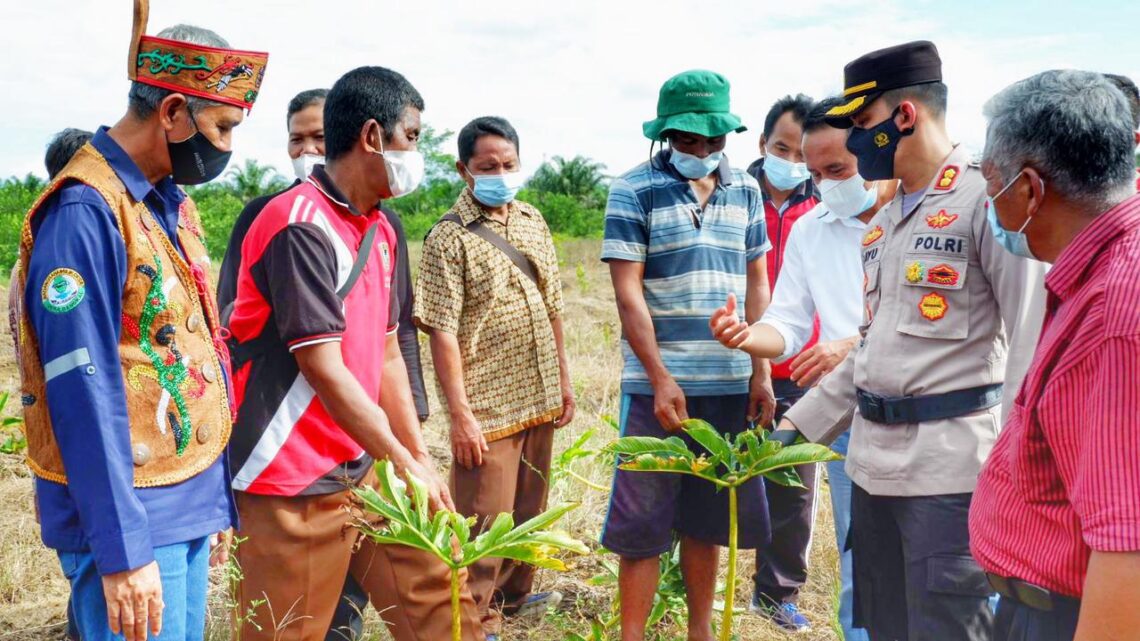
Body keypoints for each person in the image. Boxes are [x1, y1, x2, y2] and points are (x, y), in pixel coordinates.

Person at [749, 41, 1045, 640]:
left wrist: (1019, 472)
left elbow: (1030, 339)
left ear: (902, 117)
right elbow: (872, 349)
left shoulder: (985, 201)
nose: (854, 143)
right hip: (874, 474)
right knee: (883, 624)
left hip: (949, 476)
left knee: (947, 627)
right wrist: (792, 433)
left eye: (861, 126)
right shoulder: (884, 223)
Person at [15, 9, 268, 640]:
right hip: (132, 514)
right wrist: (123, 550)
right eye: (222, 126)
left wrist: (210, 503)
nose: (227, 147)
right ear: (174, 112)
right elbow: (81, 386)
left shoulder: (165, 204)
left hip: (179, 499)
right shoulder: (85, 210)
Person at [225, 66, 481, 641]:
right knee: (288, 628)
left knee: (442, 607)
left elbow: (388, 353)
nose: (417, 152)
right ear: (372, 136)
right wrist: (404, 459)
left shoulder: (381, 228)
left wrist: (415, 461)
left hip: (365, 459)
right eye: (411, 137)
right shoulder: (298, 226)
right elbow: (325, 369)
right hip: (291, 472)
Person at [712, 96, 895, 640]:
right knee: (857, 557)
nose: (823, 183)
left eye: (835, 169)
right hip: (850, 416)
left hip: (929, 421)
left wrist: (848, 345)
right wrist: (750, 336)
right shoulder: (814, 228)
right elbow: (788, 322)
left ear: (871, 149)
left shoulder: (913, 215)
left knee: (936, 567)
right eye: (816, 172)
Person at [599, 69, 773, 641]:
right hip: (659, 388)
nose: (700, 151)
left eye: (712, 141)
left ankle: (701, 631)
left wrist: (761, 371)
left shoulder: (746, 188)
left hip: (726, 381)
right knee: (641, 526)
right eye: (687, 141)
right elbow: (629, 293)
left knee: (708, 520)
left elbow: (757, 285)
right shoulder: (632, 189)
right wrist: (659, 377)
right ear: (665, 133)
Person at [969, 70, 1140, 641]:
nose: (989, 203)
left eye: (991, 184)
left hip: (1071, 615)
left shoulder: (1116, 315)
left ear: (1029, 190)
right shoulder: (1102, 271)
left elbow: (1128, 549)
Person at [415, 116, 574, 640]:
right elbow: (440, 329)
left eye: (508, 165)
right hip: (487, 403)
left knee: (530, 510)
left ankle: (513, 601)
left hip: (540, 393)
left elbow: (553, 306)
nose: (500, 174)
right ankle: (469, 617)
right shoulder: (447, 238)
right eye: (487, 167)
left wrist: (565, 382)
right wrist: (459, 415)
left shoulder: (532, 220)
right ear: (464, 170)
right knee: (484, 519)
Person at [743, 93, 822, 632]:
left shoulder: (826, 202)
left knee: (793, 485)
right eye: (781, 148)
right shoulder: (735, 194)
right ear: (762, 144)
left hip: (801, 366)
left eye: (802, 153)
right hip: (738, 357)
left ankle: (776, 593)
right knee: (716, 472)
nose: (791, 162)